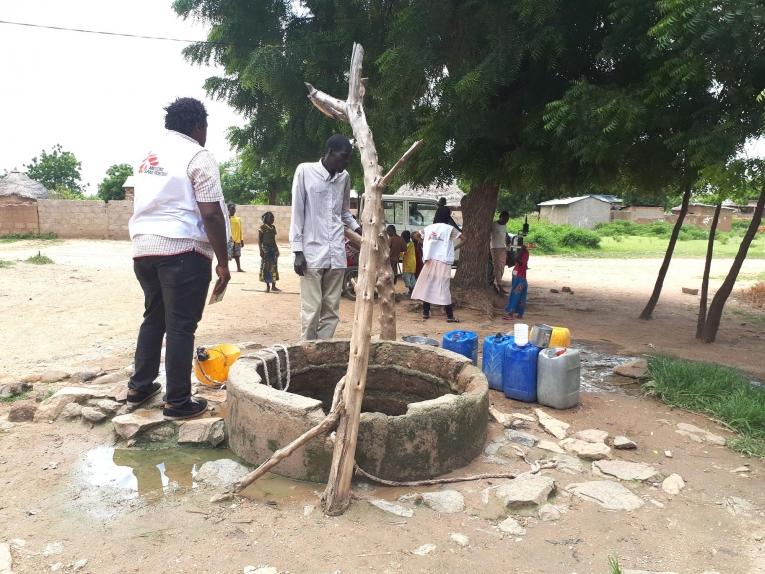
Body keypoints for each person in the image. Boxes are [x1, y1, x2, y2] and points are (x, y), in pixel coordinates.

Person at [127, 97, 230, 420]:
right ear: (199, 126)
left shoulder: (149, 158)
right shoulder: (198, 155)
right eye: (206, 128)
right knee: (182, 327)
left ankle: (140, 386)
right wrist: (224, 263)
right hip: (183, 252)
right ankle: (178, 402)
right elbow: (211, 213)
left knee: (154, 318)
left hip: (143, 250)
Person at [290, 134, 360, 340]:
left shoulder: (344, 177)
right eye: (343, 157)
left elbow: (344, 212)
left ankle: (322, 352)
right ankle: (307, 351)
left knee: (331, 311)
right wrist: (297, 251)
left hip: (336, 254)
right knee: (312, 310)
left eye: (348, 158)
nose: (346, 162)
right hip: (311, 253)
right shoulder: (304, 171)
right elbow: (297, 212)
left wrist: (358, 229)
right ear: (330, 153)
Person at [410, 208, 463, 322]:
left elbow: (415, 236)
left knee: (428, 285)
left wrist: (425, 244)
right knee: (443, 287)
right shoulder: (450, 229)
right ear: (448, 216)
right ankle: (449, 316)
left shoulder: (429, 228)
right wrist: (453, 248)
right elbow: (464, 239)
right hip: (443, 261)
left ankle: (425, 312)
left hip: (430, 259)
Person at [504, 239, 530, 320]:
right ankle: (520, 314)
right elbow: (524, 263)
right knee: (522, 297)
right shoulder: (525, 257)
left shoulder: (519, 262)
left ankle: (511, 314)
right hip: (523, 280)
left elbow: (520, 262)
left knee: (515, 296)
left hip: (519, 280)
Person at [258, 211, 281, 293]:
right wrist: (261, 250)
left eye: (273, 218)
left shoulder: (273, 227)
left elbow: (274, 240)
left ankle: (274, 286)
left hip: (273, 250)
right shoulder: (262, 227)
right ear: (267, 219)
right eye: (271, 218)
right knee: (266, 268)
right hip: (266, 250)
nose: (273, 219)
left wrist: (277, 249)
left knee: (274, 267)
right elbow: (259, 240)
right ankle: (267, 286)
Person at [491, 211, 510, 295]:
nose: (506, 220)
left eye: (507, 219)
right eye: (505, 218)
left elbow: (505, 235)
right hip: (495, 247)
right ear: (501, 217)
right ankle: (499, 285)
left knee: (502, 266)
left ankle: (497, 283)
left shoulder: (505, 225)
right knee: (497, 266)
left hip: (503, 247)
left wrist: (508, 246)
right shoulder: (494, 225)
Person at [227, 203, 244, 272]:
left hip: (237, 240)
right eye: (232, 208)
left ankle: (239, 268)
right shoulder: (227, 219)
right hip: (229, 239)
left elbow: (240, 230)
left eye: (234, 208)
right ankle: (226, 268)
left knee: (237, 255)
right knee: (227, 255)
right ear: (228, 209)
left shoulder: (238, 219)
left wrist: (242, 240)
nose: (233, 210)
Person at [401, 230, 417, 296]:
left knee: (406, 277)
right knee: (412, 278)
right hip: (412, 264)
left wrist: (398, 253)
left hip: (408, 265)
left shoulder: (407, 245)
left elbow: (403, 253)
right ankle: (413, 291)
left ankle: (410, 291)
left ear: (404, 238)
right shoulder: (411, 244)